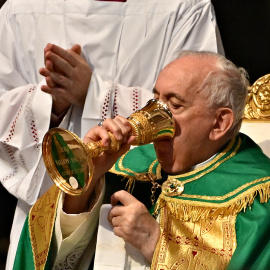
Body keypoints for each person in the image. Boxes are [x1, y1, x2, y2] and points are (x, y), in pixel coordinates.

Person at [0, 0, 224, 268]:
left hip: (152, 209)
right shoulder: (22, 7)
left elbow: (202, 106)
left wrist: (95, 95)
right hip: (52, 208)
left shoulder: (184, 6)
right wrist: (50, 104)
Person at [14, 51, 270, 269]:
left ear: (219, 123)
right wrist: (87, 181)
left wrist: (157, 244)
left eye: (175, 105)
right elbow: (49, 255)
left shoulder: (257, 201)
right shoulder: (129, 164)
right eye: (156, 99)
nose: (154, 115)